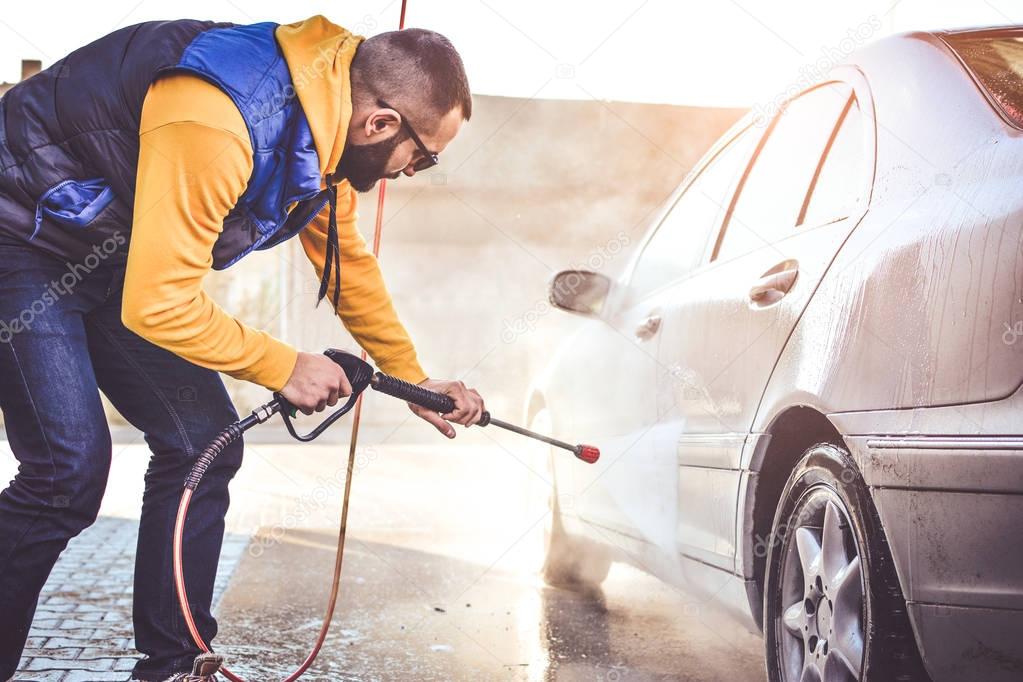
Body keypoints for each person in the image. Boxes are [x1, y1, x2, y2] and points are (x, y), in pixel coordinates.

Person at [0, 15, 485, 681]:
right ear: (380, 124)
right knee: (66, 472)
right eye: (423, 155)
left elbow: (350, 270)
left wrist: (415, 381)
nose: (414, 172)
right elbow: (160, 304)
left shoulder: (324, 134)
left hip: (108, 256)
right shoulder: (219, 116)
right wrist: (284, 366)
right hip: (19, 230)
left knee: (203, 439)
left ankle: (173, 663)